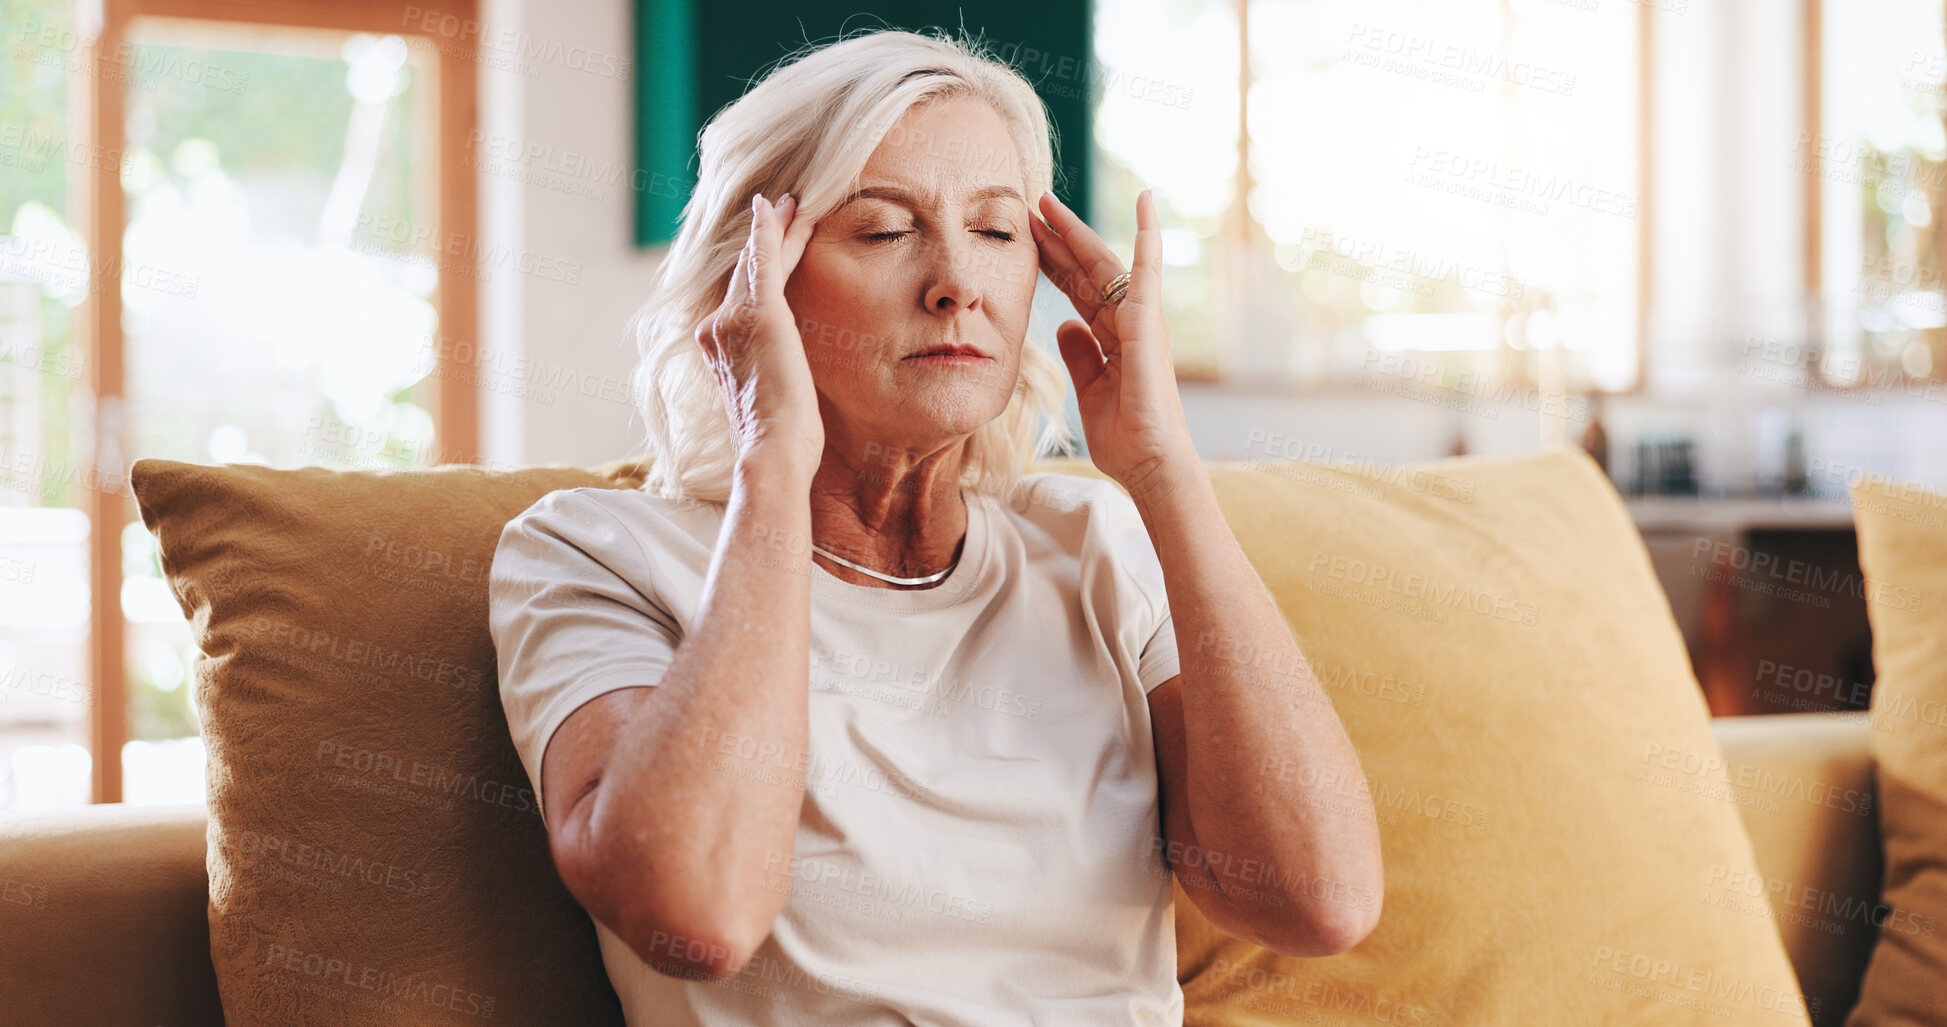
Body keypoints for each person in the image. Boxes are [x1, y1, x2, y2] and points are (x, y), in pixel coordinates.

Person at [487, 27, 1381, 1026]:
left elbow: (1320, 898)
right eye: (883, 229)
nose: (957, 278)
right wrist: (773, 463)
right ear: (755, 286)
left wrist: (1165, 467)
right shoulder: (590, 554)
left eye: (998, 232)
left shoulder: (1091, 539)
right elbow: (696, 912)